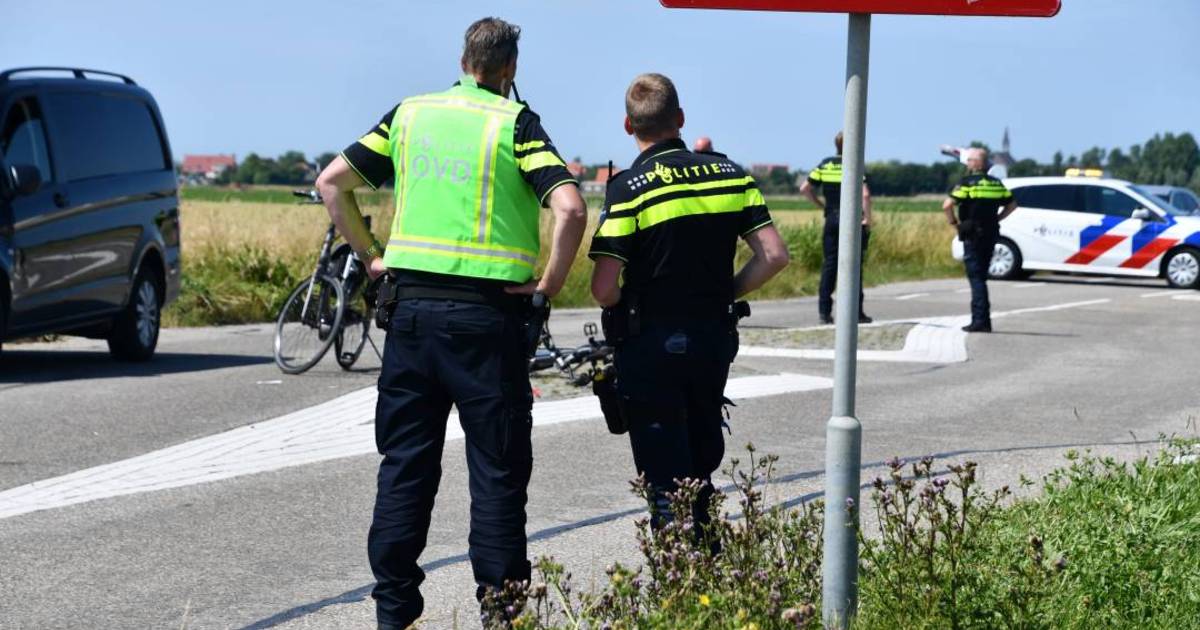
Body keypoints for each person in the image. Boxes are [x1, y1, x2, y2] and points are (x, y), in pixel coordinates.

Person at [315, 17, 587, 629]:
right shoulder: (515, 124)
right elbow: (570, 208)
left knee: (405, 465)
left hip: (409, 315)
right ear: (510, 69)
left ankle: (394, 613)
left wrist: (372, 259)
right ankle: (500, 613)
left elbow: (332, 182)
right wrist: (546, 287)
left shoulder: (408, 114)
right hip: (489, 322)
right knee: (495, 472)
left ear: (464, 60)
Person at [589, 73, 789, 535]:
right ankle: (709, 563)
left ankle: (684, 580)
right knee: (701, 462)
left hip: (650, 342)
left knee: (664, 480)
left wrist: (625, 300)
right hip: (714, 337)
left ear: (627, 125)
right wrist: (727, 291)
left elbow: (603, 289)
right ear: (680, 119)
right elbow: (774, 255)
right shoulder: (731, 174)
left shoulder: (628, 187)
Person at [800, 131, 873, 325]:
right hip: (853, 220)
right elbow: (865, 195)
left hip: (832, 217)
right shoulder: (854, 163)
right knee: (854, 265)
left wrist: (820, 204)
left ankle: (824, 312)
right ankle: (856, 312)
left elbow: (805, 188)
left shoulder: (825, 164)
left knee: (829, 265)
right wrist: (867, 218)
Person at [943, 147, 1017, 333]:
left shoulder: (967, 183)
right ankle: (982, 319)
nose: (967, 163)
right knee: (982, 276)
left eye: (969, 160)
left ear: (977, 163)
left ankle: (980, 320)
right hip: (991, 233)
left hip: (972, 234)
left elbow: (947, 205)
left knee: (976, 278)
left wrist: (954, 222)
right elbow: (1012, 205)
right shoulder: (996, 183)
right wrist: (998, 219)